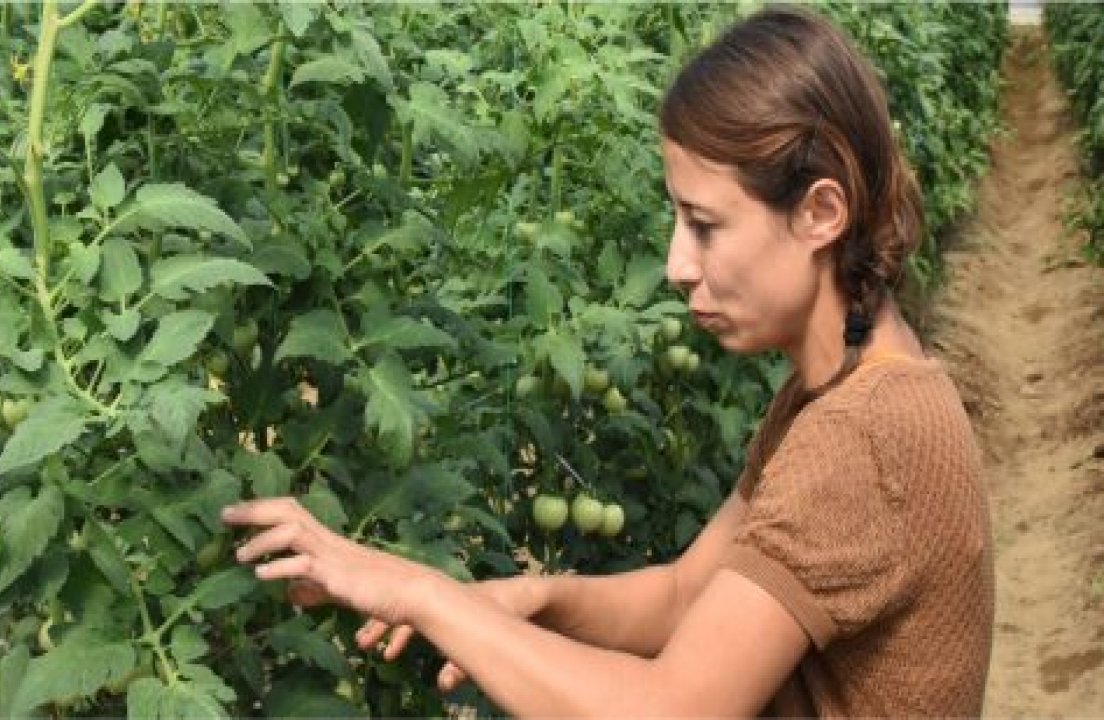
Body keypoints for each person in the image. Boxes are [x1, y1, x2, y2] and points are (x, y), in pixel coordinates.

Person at [221, 6, 994, 717]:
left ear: (820, 212)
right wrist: (539, 597)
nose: (676, 264)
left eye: (704, 225)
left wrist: (421, 593)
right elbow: (685, 594)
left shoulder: (862, 437)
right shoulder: (844, 390)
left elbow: (669, 709)